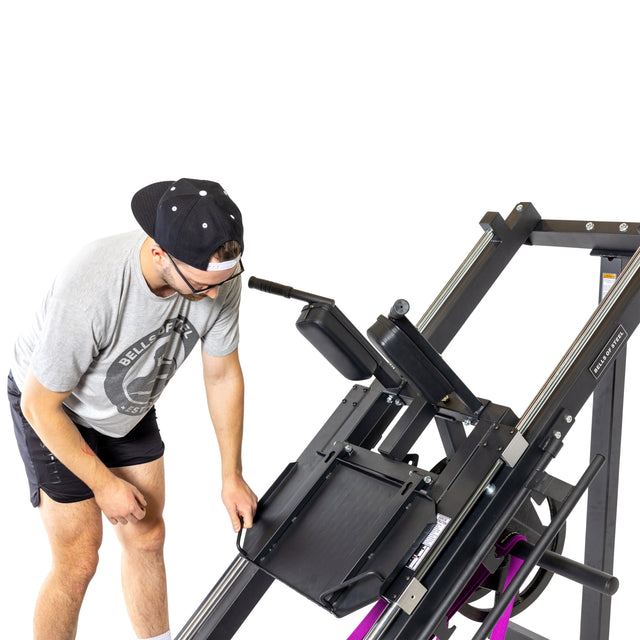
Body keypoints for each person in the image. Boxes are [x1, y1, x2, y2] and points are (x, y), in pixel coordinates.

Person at [8, 178, 258, 640]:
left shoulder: (217, 277)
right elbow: (40, 405)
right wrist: (103, 484)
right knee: (80, 560)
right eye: (200, 286)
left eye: (221, 283)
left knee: (148, 535)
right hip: (56, 410)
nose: (211, 298)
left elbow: (222, 375)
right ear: (160, 253)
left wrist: (231, 475)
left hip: (127, 404)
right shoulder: (92, 286)